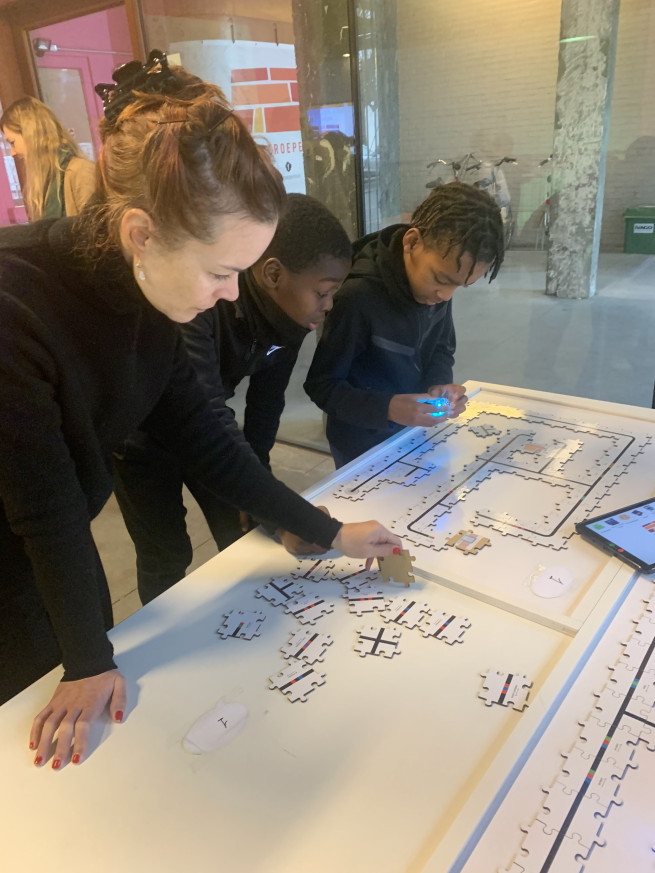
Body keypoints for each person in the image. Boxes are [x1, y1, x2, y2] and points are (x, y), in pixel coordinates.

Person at [0, 52, 400, 768]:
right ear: (140, 235)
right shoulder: (16, 305)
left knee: (95, 684)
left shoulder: (152, 296)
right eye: (221, 272)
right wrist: (86, 659)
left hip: (59, 547)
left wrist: (328, 531)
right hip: (13, 549)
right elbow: (44, 508)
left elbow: (206, 438)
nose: (230, 295)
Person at [112, 193, 351, 604]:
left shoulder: (291, 318)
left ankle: (248, 619)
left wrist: (269, 499)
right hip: (142, 438)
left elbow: (265, 406)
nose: (328, 306)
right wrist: (303, 519)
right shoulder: (203, 303)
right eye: (322, 293)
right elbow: (206, 415)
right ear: (272, 274)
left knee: (240, 525)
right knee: (165, 552)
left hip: (209, 427)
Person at [304, 181, 505, 467]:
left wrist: (439, 385)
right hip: (359, 446)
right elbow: (322, 385)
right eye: (441, 279)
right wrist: (387, 408)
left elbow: (441, 349)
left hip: (413, 434)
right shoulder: (357, 298)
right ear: (411, 243)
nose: (445, 296)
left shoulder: (436, 290)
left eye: (459, 286)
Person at [1, 95, 96, 220]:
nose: (12, 153)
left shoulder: (81, 171)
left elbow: (95, 229)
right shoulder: (45, 181)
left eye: (12, 142)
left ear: (31, 136)